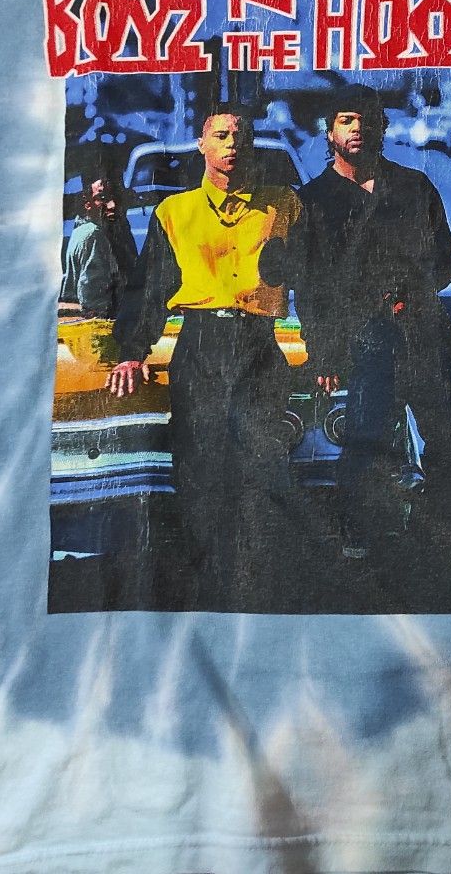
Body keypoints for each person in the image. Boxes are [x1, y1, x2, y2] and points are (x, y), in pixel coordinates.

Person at [107, 104, 303, 604]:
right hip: (200, 344)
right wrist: (132, 351)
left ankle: (258, 590)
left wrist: (328, 346)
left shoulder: (284, 205)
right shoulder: (174, 213)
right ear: (202, 144)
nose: (232, 144)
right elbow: (151, 287)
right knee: (199, 470)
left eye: (241, 135)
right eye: (221, 135)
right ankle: (205, 588)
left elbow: (316, 279)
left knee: (261, 467)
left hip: (259, 345)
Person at [289, 83, 451, 562]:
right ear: (330, 132)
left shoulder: (414, 187)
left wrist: (410, 292)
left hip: (423, 333)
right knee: (365, 445)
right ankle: (361, 546)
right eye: (347, 120)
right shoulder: (313, 201)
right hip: (361, 342)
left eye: (368, 120)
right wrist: (324, 351)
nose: (358, 129)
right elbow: (309, 287)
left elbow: (448, 259)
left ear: (383, 127)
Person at [59, 176, 138, 319]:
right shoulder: (95, 234)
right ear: (87, 203)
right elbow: (94, 299)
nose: (112, 205)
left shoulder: (84, 229)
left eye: (116, 197)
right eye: (102, 198)